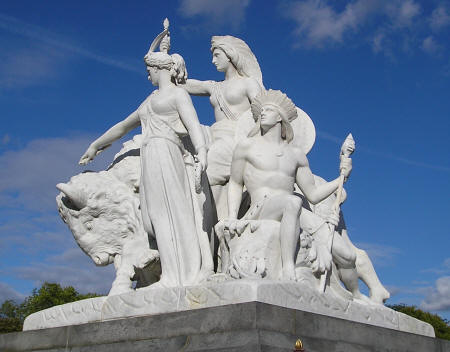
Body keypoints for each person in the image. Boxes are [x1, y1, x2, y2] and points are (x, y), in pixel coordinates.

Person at [79, 22, 213, 288]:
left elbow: (194, 127)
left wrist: (201, 153)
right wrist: (96, 145)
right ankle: (170, 273)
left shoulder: (177, 96)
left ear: (160, 68)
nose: (147, 75)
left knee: (173, 212)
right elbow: (122, 126)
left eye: (149, 70)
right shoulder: (148, 102)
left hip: (168, 153)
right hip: (150, 156)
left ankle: (177, 276)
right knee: (154, 216)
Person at [223, 89, 353, 281]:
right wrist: (233, 217)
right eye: (261, 111)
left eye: (268, 110)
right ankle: (287, 268)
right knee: (291, 202)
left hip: (293, 210)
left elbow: (313, 194)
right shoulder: (247, 146)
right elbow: (235, 182)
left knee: (347, 255)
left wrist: (341, 180)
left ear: (279, 118)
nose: (262, 113)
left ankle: (358, 294)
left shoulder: (296, 154)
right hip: (261, 208)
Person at [183, 36, 263, 219]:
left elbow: (263, 111)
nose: (213, 61)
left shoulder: (249, 83)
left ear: (230, 55)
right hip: (214, 136)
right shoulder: (214, 87)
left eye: (217, 55)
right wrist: (169, 65)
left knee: (206, 169)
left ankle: (215, 221)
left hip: (237, 137)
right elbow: (186, 84)